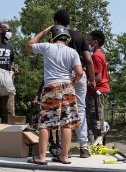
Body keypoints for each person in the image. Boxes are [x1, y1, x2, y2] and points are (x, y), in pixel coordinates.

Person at [25, 25, 83, 165]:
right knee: (66, 124)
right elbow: (79, 72)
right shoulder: (72, 52)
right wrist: (76, 79)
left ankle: (41, 157)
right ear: (66, 38)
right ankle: (64, 156)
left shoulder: (46, 47)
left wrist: (44, 31)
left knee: (45, 124)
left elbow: (29, 45)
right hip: (68, 88)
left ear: (52, 37)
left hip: (52, 88)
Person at [52, 9, 96, 158]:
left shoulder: (55, 36)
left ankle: (64, 149)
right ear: (69, 22)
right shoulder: (79, 36)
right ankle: (84, 147)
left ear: (56, 23)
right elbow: (88, 59)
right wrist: (92, 79)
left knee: (62, 111)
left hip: (62, 76)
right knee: (80, 110)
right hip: (80, 73)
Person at [86, 30, 110, 144]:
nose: (88, 42)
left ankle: (99, 140)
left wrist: (86, 83)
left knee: (95, 116)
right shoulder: (99, 55)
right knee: (93, 116)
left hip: (97, 90)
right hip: (97, 90)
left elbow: (98, 77)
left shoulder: (96, 56)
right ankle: (97, 139)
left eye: (89, 40)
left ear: (95, 42)